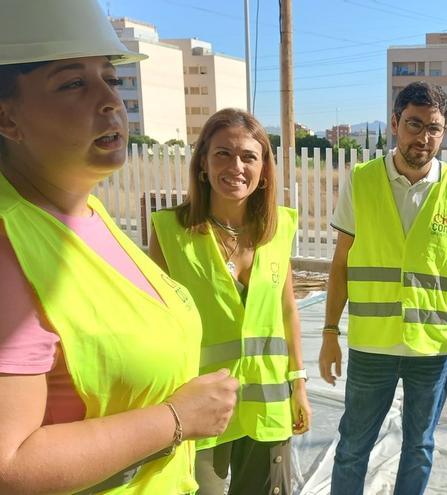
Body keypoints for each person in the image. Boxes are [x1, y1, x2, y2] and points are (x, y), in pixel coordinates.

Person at [0, 1, 238, 493]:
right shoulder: (9, 246)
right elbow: (8, 465)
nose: (111, 99)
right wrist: (177, 419)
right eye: (73, 83)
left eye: (110, 77)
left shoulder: (88, 213)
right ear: (7, 117)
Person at [318, 81, 447, 495]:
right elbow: (340, 264)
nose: (423, 138)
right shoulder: (362, 180)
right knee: (353, 446)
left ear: (443, 132)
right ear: (395, 124)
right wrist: (329, 333)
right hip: (372, 347)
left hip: (432, 349)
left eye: (434, 128)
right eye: (414, 125)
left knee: (420, 446)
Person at [149, 108, 311, 495]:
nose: (235, 166)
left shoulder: (278, 228)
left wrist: (299, 384)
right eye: (222, 153)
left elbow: (288, 310)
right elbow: (154, 321)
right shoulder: (171, 231)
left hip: (267, 404)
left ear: (264, 169)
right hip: (201, 407)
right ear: (203, 163)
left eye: (248, 156)